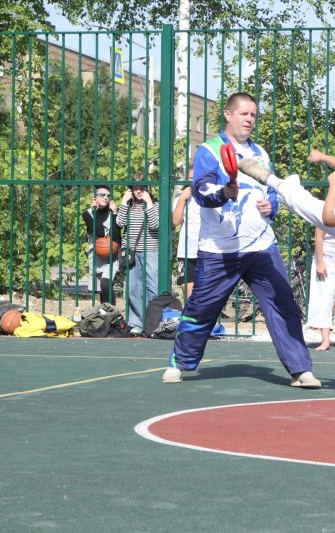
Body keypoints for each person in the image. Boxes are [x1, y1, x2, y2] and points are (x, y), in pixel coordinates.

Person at [162, 92, 321, 389]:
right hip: (219, 250)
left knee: (283, 304)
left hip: (261, 246)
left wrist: (270, 207)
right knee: (201, 308)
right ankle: (180, 363)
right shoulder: (209, 150)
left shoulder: (259, 152)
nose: (249, 119)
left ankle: (301, 370)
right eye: (244, 114)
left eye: (253, 115)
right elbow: (200, 191)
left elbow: (271, 191)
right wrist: (223, 193)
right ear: (228, 114)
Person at [240, 127, 335, 403]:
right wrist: (326, 158)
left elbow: (328, 217)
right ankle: (276, 182)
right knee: (305, 204)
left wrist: (334, 186)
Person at [305, 181, 335, 351]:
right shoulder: (331, 209)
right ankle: (325, 340)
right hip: (326, 257)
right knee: (323, 296)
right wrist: (320, 263)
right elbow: (319, 236)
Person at [116, 173, 160, 335]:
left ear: (148, 188)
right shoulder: (129, 206)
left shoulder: (156, 205)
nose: (139, 191)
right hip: (131, 252)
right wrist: (123, 202)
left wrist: (148, 203)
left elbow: (155, 225)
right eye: (135, 188)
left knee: (152, 287)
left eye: (142, 187)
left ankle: (152, 322)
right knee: (133, 288)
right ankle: (137, 322)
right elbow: (119, 223)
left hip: (151, 250)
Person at [82, 185, 122, 304]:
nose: (106, 198)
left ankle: (113, 314)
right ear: (95, 197)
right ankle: (105, 317)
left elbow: (115, 235)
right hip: (96, 258)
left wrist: (114, 213)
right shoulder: (87, 214)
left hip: (111, 257)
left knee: (106, 283)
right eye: (102, 195)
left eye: (108, 196)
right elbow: (98, 230)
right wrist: (94, 211)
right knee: (101, 291)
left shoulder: (115, 212)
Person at [172, 169, 202, 301]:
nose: (192, 180)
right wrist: (183, 199)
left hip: (206, 250)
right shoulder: (181, 196)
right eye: (190, 177)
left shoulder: (210, 195)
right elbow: (176, 221)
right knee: (190, 296)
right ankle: (192, 320)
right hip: (187, 251)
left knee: (205, 294)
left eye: (195, 177)